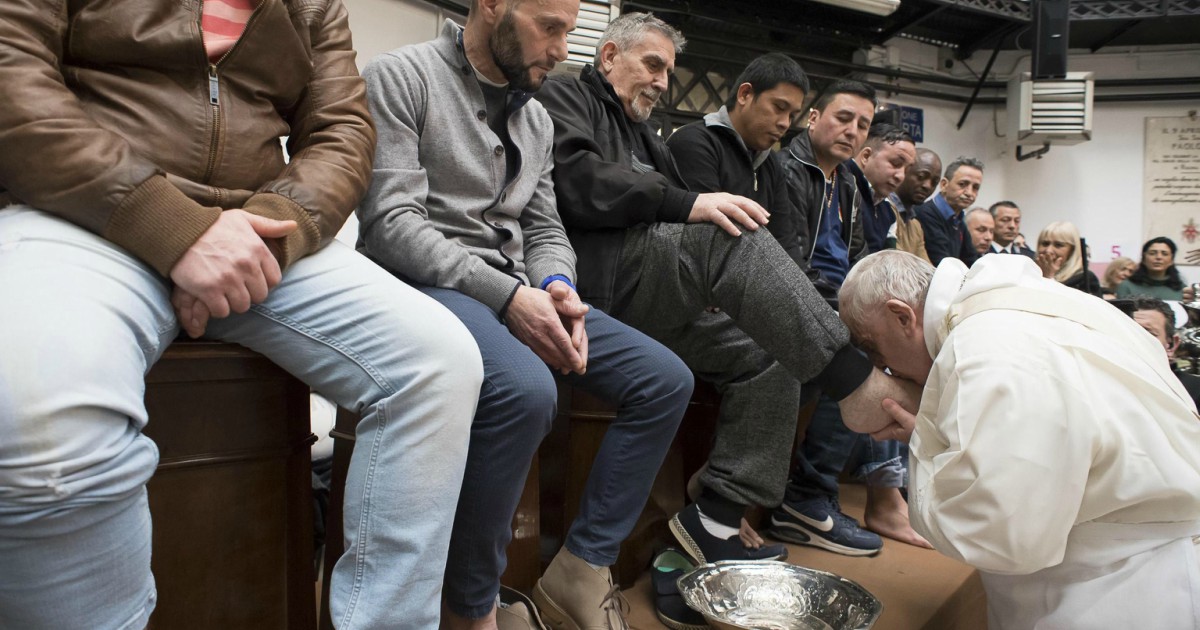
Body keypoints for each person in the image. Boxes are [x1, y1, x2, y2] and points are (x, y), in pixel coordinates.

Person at [0, 1, 486, 628]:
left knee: (440, 364)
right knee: (37, 417)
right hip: (88, 209)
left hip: (254, 226)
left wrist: (267, 236)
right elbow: (13, 75)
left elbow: (342, 131)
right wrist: (172, 226)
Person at [535, 12, 919, 567]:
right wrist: (692, 210)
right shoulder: (566, 95)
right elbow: (578, 183)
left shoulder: (646, 132)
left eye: (669, 71)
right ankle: (852, 381)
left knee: (772, 352)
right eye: (653, 65)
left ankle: (715, 514)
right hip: (595, 279)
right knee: (728, 231)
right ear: (609, 56)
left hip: (651, 289)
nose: (662, 81)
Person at [356, 2, 696, 628]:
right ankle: (469, 609)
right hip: (426, 284)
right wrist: (509, 298)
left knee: (666, 380)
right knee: (525, 389)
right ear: (491, 6)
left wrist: (558, 285)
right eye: (551, 27)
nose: (563, 49)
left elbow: (544, 227)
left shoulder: (535, 116)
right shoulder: (401, 76)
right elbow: (390, 225)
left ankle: (581, 566)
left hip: (518, 291)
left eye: (568, 30)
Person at [840, 250, 1200, 629]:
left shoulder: (984, 349)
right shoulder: (1030, 299)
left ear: (902, 316)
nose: (885, 368)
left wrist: (926, 440)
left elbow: (1001, 536)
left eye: (874, 349)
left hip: (1117, 588)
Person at [776, 79, 873, 298]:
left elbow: (859, 256)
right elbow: (793, 265)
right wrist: (844, 302)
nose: (852, 131)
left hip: (841, 296)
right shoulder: (788, 170)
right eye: (843, 119)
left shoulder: (848, 182)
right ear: (813, 118)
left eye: (862, 126)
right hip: (807, 295)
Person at [848, 123, 916, 254]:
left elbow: (888, 260)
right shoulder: (839, 187)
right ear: (866, 156)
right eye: (896, 163)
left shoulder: (888, 211)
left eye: (907, 170)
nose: (901, 176)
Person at [913, 156, 984, 266]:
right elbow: (942, 263)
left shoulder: (958, 219)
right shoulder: (925, 214)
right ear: (944, 185)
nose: (969, 193)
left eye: (975, 187)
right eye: (962, 184)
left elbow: (971, 259)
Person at [1131, 297, 1200, 408]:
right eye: (1124, 333)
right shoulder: (1102, 385)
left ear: (1171, 345)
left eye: (1148, 334)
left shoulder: (1194, 392)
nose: (1133, 341)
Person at [886, 147, 940, 263]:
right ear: (903, 171)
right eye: (921, 177)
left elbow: (925, 267)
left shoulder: (916, 226)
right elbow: (896, 263)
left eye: (934, 182)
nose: (927, 186)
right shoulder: (884, 210)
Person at [1034, 221, 1102, 297]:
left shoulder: (1085, 279)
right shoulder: (1028, 274)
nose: (1048, 250)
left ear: (1072, 250)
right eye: (1045, 244)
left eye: (1058, 245)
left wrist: (1048, 278)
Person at [1117, 236, 1187, 300]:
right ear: (1144, 258)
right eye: (1152, 253)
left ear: (1171, 260)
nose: (1158, 257)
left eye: (1164, 254)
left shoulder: (1183, 289)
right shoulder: (1127, 286)